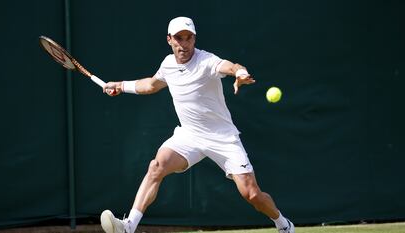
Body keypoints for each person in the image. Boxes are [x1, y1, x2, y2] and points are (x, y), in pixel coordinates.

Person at [100, 16, 295, 233]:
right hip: (189, 136)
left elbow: (230, 66)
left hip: (222, 138)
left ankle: (282, 223)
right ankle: (129, 227)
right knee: (156, 166)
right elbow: (151, 85)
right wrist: (121, 85)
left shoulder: (207, 61)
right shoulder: (167, 64)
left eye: (188, 38)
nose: (184, 44)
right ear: (169, 40)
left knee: (252, 194)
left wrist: (239, 72)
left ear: (194, 39)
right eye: (179, 38)